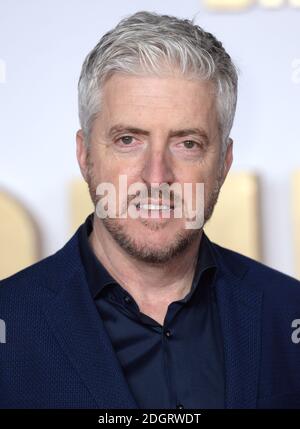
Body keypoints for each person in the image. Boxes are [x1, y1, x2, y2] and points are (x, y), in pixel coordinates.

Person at [1, 11, 300, 410]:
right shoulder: (11, 321)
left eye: (187, 143)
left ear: (224, 164)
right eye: (128, 139)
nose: (156, 176)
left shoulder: (288, 312)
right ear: (85, 155)